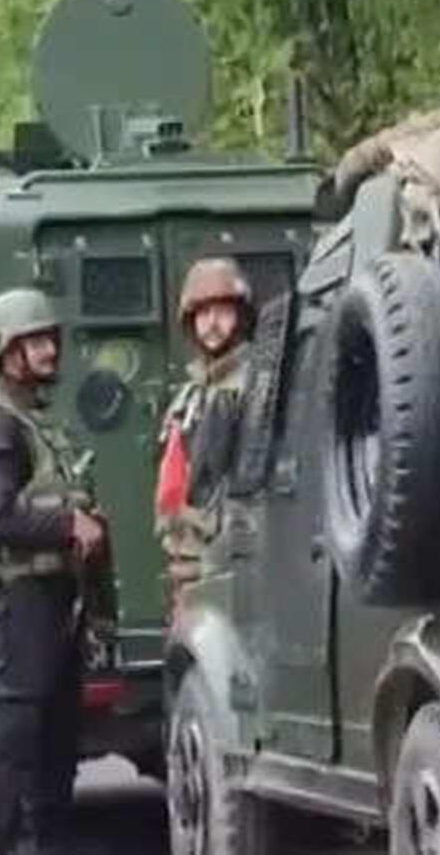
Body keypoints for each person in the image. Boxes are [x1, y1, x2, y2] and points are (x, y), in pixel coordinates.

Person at [0, 287, 108, 854]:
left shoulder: (38, 422)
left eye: (50, 338)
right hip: (22, 602)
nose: (48, 349)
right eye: (34, 341)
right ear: (5, 351)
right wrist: (70, 524)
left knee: (57, 741)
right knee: (17, 741)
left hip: (58, 599)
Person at [155, 258, 255, 624]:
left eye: (223, 312)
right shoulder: (191, 393)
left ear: (240, 317)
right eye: (203, 313)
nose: (212, 323)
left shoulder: (254, 387)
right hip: (186, 558)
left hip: (228, 563)